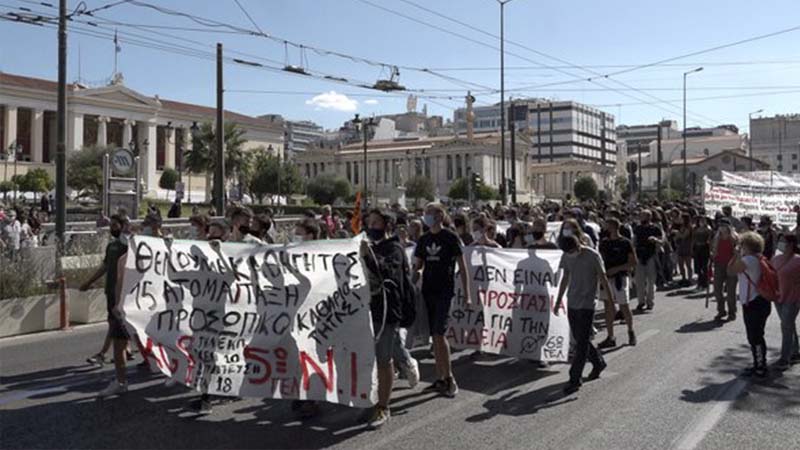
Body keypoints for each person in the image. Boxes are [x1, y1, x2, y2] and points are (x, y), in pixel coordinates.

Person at [413, 202, 472, 398]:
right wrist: (412, 278)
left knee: (440, 334)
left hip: (445, 291)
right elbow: (419, 265)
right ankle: (439, 378)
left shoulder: (450, 237)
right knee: (434, 337)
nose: (426, 216)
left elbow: (462, 267)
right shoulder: (423, 239)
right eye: (425, 213)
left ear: (439, 216)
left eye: (429, 213)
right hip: (428, 291)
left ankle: (449, 378)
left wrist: (468, 295)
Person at [360, 209, 409, 428]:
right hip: (366, 310)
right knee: (368, 359)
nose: (371, 226)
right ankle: (371, 400)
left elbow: (386, 271)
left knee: (383, 359)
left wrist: (368, 256)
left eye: (376, 222)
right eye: (369, 222)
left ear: (387, 225)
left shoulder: (394, 249)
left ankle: (383, 406)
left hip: (386, 311)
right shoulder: (369, 247)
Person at [80, 214, 131, 397]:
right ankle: (119, 371)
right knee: (115, 329)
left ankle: (112, 364)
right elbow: (105, 267)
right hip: (113, 295)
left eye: (116, 225)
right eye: (112, 225)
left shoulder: (131, 248)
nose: (113, 228)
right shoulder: (112, 247)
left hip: (126, 300)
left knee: (119, 334)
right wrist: (88, 282)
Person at [554, 234, 612, 395]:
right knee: (581, 339)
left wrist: (610, 299)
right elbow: (565, 277)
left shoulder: (592, 255)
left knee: (581, 344)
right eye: (569, 251)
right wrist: (559, 300)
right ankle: (598, 362)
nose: (572, 253)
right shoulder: (566, 255)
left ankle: (574, 379)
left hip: (588, 303)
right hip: (572, 301)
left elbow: (602, 276)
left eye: (574, 250)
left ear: (579, 243)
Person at [727, 232, 771, 378]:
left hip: (754, 303)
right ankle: (758, 364)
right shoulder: (755, 258)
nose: (740, 246)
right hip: (758, 302)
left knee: (755, 337)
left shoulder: (749, 260)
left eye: (742, 244)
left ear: (748, 245)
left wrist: (736, 254)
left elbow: (731, 270)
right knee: (755, 336)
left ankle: (760, 366)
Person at [597, 218, 637, 348]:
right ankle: (610, 337)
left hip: (620, 278)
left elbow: (633, 262)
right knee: (608, 306)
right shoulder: (604, 243)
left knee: (624, 306)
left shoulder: (625, 243)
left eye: (607, 226)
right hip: (607, 279)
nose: (605, 228)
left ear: (614, 227)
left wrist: (617, 268)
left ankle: (631, 331)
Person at [771, 233, 800, 370]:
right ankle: (795, 351)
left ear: (791, 244)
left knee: (786, 327)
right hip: (778, 298)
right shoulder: (775, 259)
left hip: (792, 299)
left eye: (782, 241)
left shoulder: (798, 261)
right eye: (779, 240)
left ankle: (785, 358)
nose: (780, 243)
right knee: (788, 325)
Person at [633, 209, 662, 312]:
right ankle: (641, 301)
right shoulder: (637, 228)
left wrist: (655, 240)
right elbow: (634, 241)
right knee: (639, 281)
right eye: (641, 215)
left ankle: (650, 301)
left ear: (649, 217)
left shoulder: (655, 228)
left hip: (651, 256)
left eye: (643, 216)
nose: (641, 217)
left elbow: (662, 241)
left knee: (651, 281)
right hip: (640, 256)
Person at [712, 221, 739, 321]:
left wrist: (737, 250)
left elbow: (739, 250)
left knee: (731, 292)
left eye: (723, 226)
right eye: (720, 226)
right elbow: (714, 250)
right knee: (717, 290)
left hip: (731, 266)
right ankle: (721, 310)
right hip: (719, 265)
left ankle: (732, 312)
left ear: (728, 227)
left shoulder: (735, 237)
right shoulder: (717, 237)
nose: (721, 228)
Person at [692, 216, 712, 290]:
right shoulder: (695, 229)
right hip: (697, 248)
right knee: (698, 266)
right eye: (700, 221)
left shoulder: (708, 229)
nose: (702, 222)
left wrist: (710, 249)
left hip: (704, 248)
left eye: (703, 221)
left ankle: (705, 283)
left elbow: (709, 239)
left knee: (704, 267)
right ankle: (699, 282)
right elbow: (693, 239)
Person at [676, 213, 693, 286]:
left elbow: (684, 235)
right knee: (680, 264)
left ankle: (689, 279)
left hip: (687, 246)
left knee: (688, 264)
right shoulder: (681, 226)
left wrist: (677, 233)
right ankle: (683, 278)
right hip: (680, 246)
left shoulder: (689, 227)